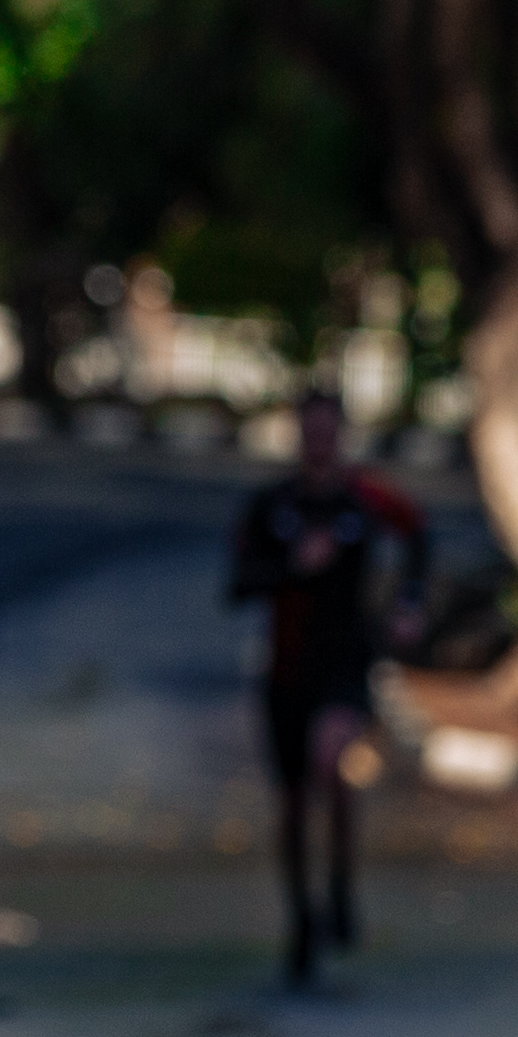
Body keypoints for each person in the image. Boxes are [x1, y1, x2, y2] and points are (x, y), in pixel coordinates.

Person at [225, 388, 427, 990]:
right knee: (290, 802)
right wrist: (294, 567)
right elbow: (237, 584)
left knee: (333, 763)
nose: (319, 445)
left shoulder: (366, 499)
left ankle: (340, 885)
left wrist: (409, 605)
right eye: (309, 433)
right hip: (286, 668)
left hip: (345, 661)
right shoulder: (273, 505)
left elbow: (418, 535)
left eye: (328, 434)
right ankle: (301, 918)